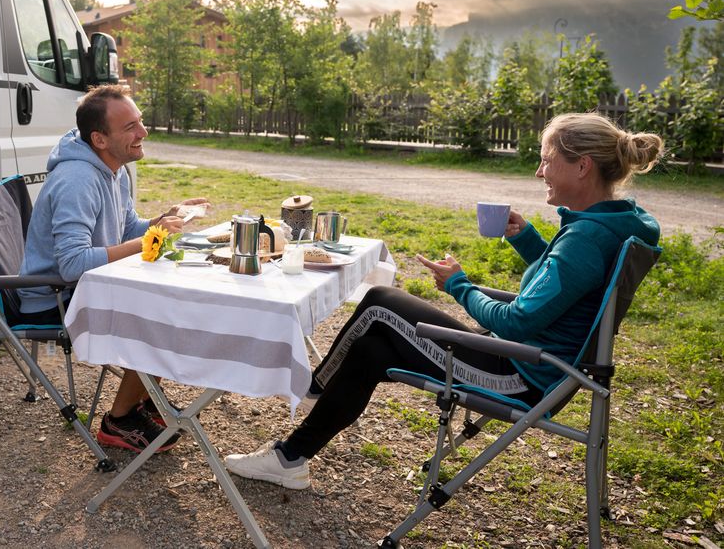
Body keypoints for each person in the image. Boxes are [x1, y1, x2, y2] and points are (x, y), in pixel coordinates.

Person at [225, 112, 664, 489]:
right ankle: (290, 458)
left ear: (583, 166)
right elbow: (571, 285)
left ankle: (311, 387)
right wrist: (530, 241)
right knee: (371, 348)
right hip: (545, 364)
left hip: (520, 372)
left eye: (546, 160)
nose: (539, 172)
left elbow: (517, 322)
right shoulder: (613, 223)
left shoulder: (587, 238)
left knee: (380, 300)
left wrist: (459, 285)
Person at [17, 84, 208, 453]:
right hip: (55, 299)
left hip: (86, 288)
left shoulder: (112, 169)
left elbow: (126, 228)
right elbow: (72, 264)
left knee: (172, 297)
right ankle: (120, 421)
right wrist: (151, 240)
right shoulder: (78, 180)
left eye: (140, 122)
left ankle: (142, 400)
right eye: (130, 127)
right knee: (157, 314)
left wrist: (165, 218)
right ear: (99, 139)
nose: (143, 133)